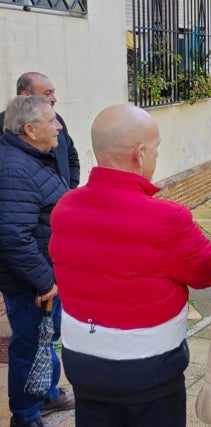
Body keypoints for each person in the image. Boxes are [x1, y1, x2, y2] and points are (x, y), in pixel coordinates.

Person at [49, 104, 211, 427]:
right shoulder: (167, 219)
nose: (155, 157)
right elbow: (207, 271)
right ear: (140, 154)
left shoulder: (65, 208)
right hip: (147, 371)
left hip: (84, 364)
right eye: (155, 149)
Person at [0, 96, 74, 427]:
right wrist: (46, 281)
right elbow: (13, 238)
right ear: (30, 130)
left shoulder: (33, 158)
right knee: (29, 348)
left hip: (45, 275)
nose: (59, 126)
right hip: (31, 283)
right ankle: (26, 416)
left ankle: (44, 395)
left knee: (45, 339)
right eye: (52, 120)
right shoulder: (15, 169)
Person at [0, 71, 80, 189]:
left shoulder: (57, 119)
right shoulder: (4, 124)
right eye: (47, 93)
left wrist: (70, 188)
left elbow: (71, 154)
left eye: (53, 92)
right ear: (26, 95)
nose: (54, 99)